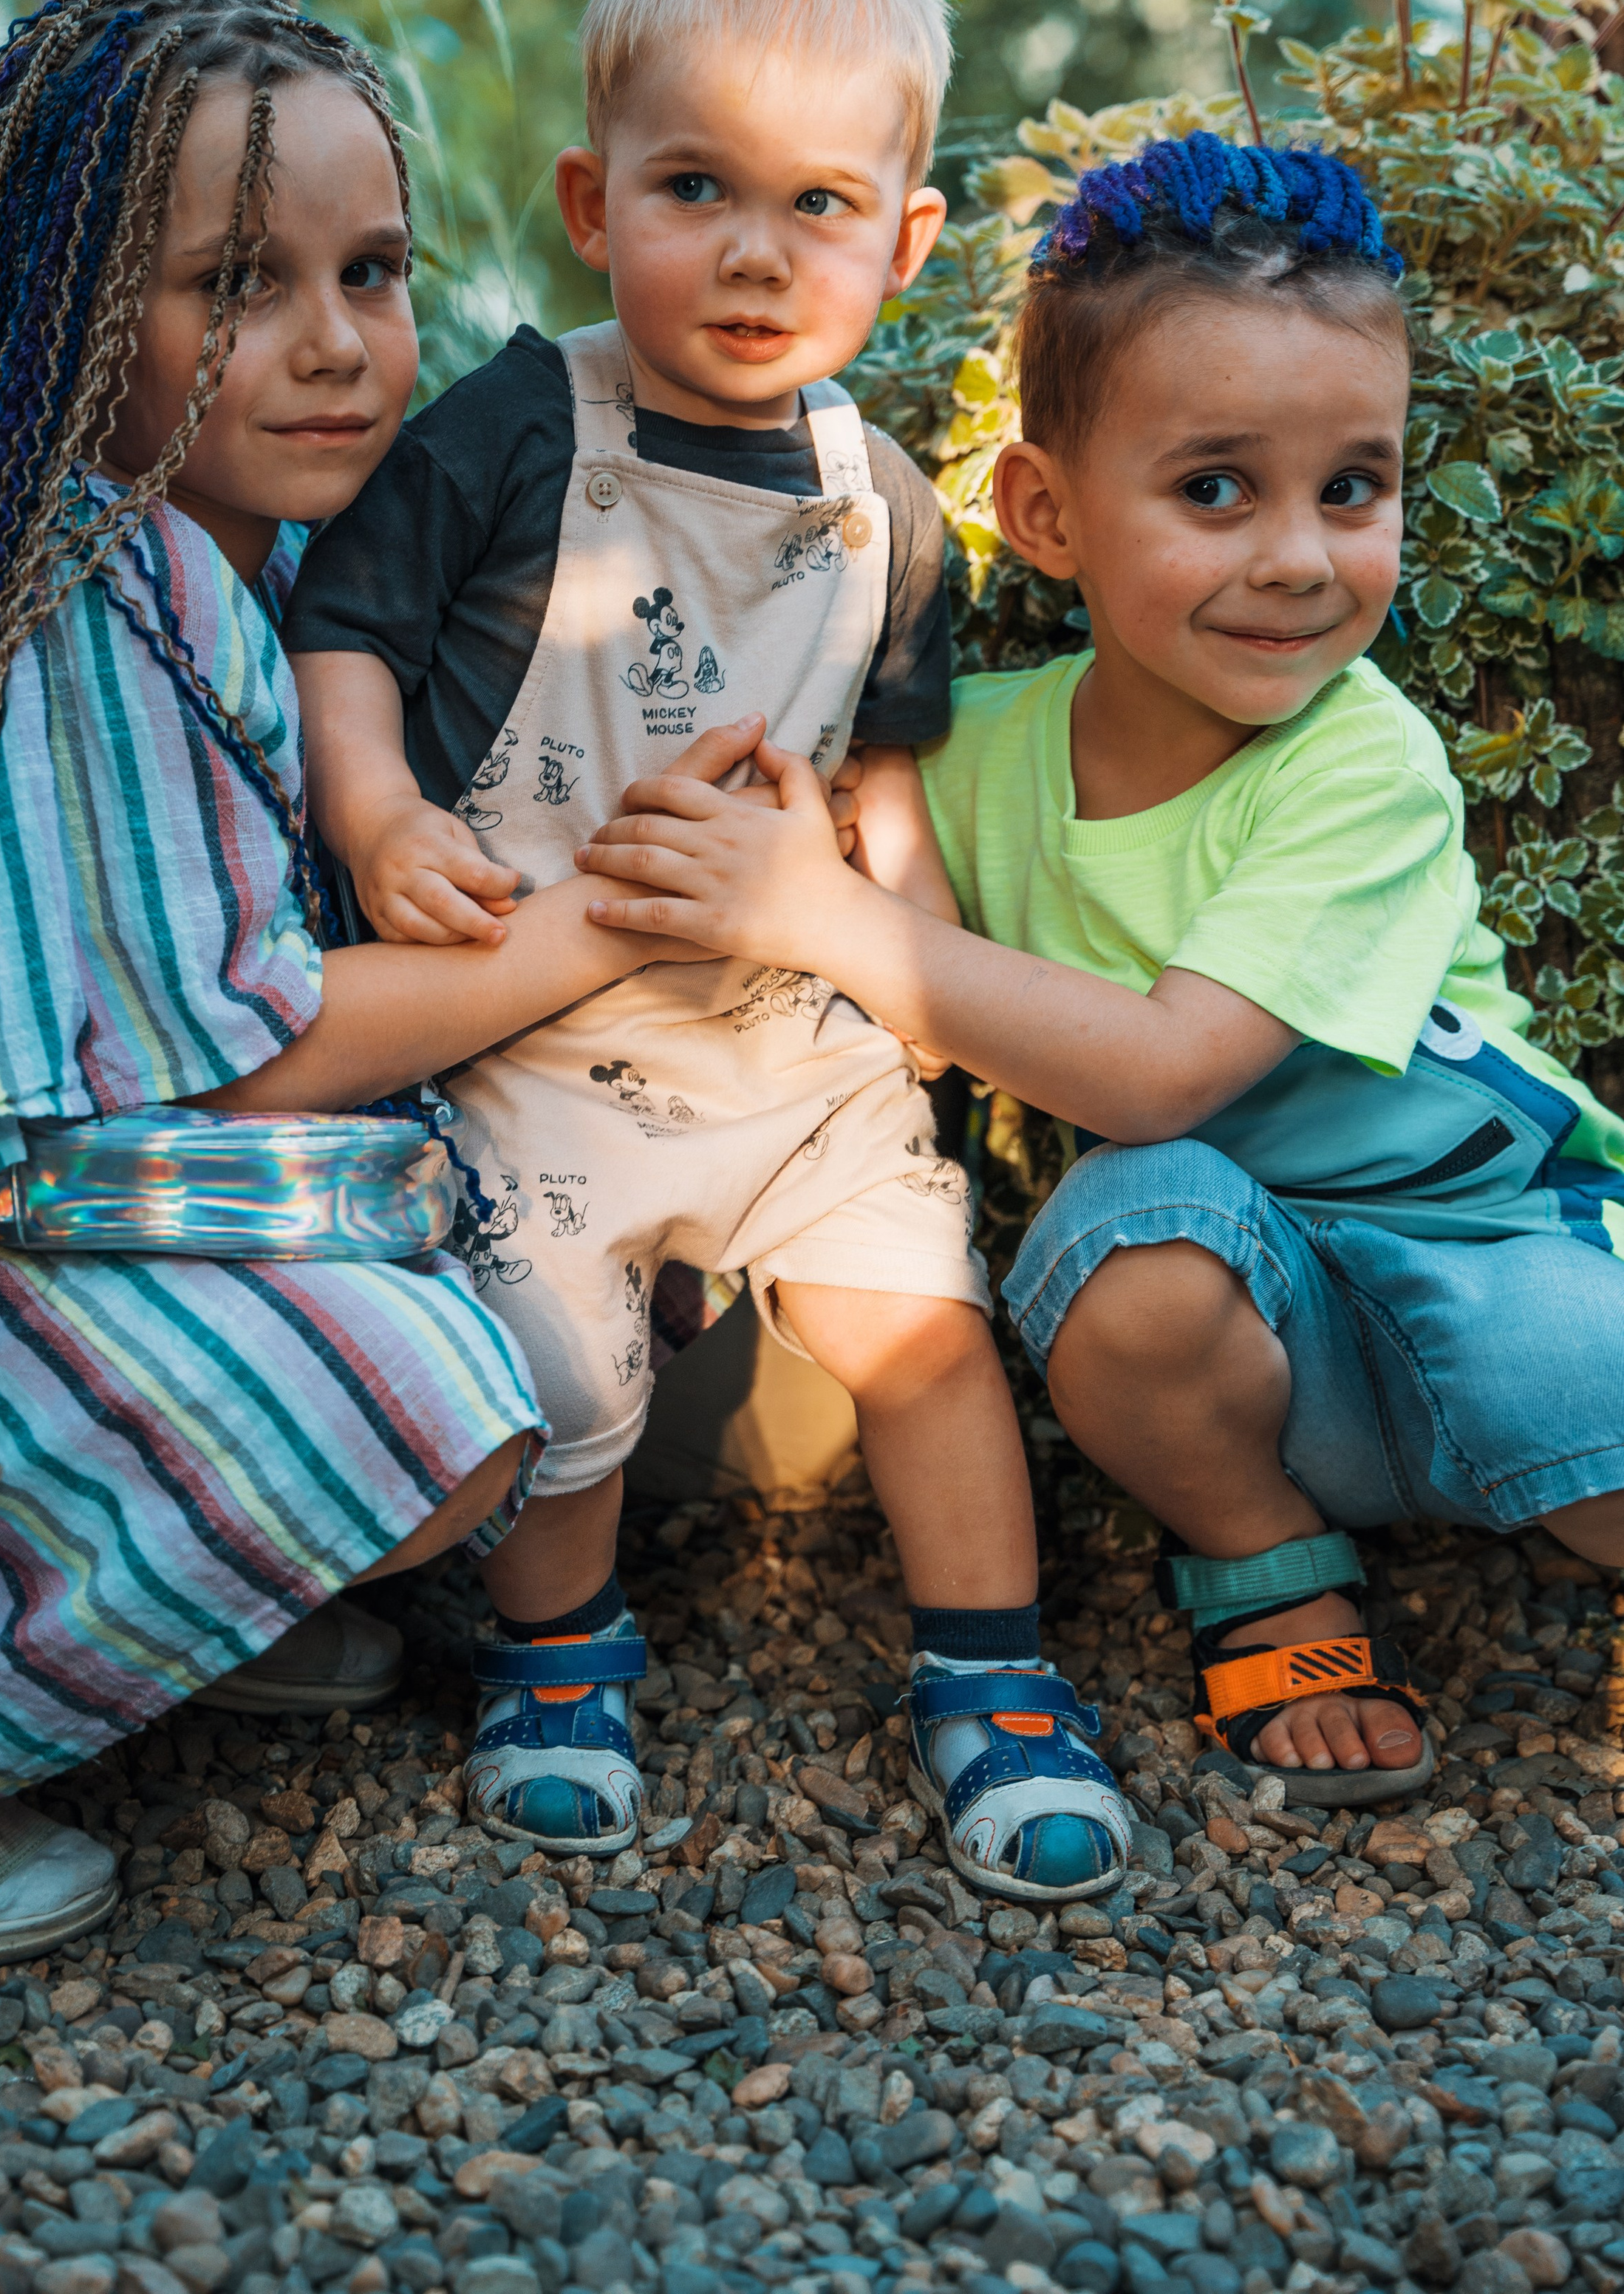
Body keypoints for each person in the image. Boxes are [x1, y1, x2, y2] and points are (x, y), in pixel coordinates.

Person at [0, 0, 742, 1967]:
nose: (339, 347)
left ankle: (154, 1614)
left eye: (372, 272)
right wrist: (616, 917)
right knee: (465, 1388)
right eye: (239, 285)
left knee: (500, 1302)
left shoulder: (199, 548)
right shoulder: (86, 589)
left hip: (30, 1236)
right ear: (69, 319)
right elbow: (244, 1066)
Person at [573, 128, 1624, 1808]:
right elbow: (800, 903)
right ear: (1044, 514)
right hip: (1244, 1327)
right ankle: (1263, 1560)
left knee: (1576, 1387)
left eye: (1350, 486)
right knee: (1123, 1248)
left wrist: (829, 917)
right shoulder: (974, 757)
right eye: (1214, 488)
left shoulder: (1363, 768)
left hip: (1490, 1253)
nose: (1296, 553)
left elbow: (1154, 1066)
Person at [287, 0, 1130, 1902]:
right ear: (594, 203)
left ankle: (994, 1676)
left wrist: (925, 977)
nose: (757, 255)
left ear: (908, 241)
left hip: (794, 1033)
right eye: (695, 190)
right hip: (538, 1039)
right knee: (570, 1384)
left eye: (821, 207)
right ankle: (558, 1647)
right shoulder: (510, 428)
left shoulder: (887, 504)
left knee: (925, 1332)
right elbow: (350, 636)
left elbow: (885, 772)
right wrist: (384, 817)